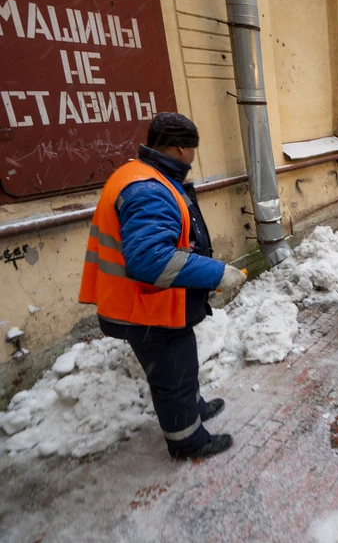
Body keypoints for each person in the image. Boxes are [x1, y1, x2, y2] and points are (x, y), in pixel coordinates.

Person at [79, 112, 247, 460]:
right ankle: (188, 442)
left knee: (181, 367)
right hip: (147, 308)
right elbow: (150, 260)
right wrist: (218, 274)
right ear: (181, 148)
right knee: (173, 377)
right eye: (193, 148)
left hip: (151, 303)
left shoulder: (139, 174)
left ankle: (192, 408)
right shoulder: (149, 190)